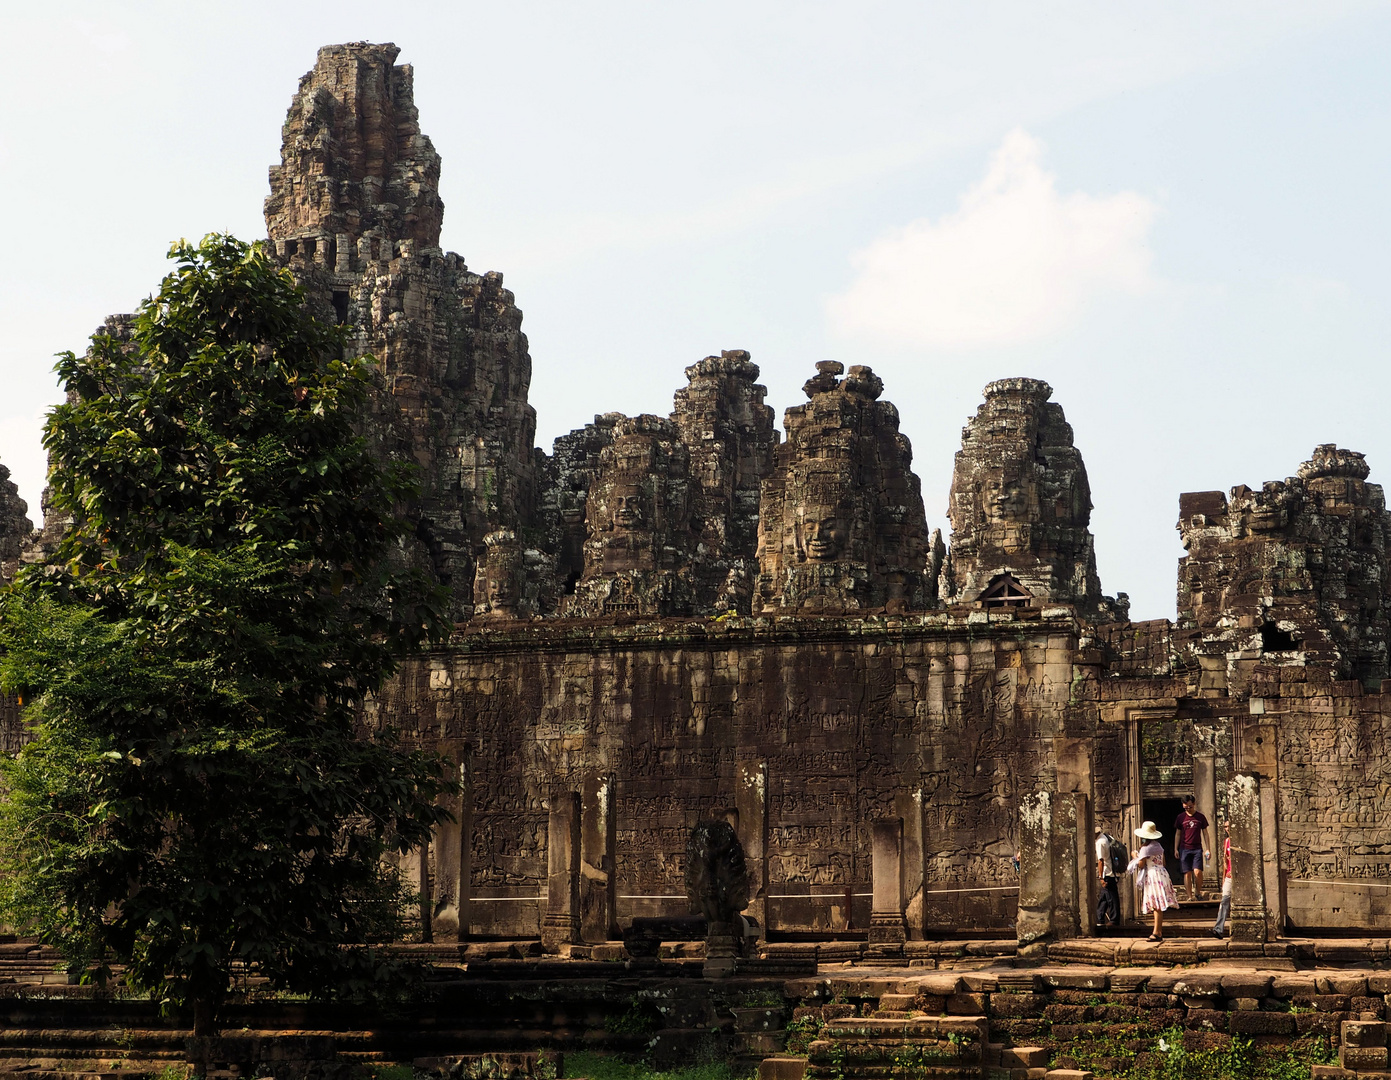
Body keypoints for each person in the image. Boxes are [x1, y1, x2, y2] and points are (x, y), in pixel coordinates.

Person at [1128, 820, 1176, 941]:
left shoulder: (1145, 849)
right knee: (1157, 904)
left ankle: (1157, 932)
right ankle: (1158, 931)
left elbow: (1140, 864)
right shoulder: (1159, 846)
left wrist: (1135, 856)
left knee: (1156, 904)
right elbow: (1163, 862)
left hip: (1153, 875)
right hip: (1162, 873)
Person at [1173, 795, 1211, 901]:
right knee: (1187, 873)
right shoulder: (1180, 817)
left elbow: (1205, 834)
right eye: (1185, 807)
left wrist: (1208, 848)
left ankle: (1198, 892)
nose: (1188, 809)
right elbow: (1178, 834)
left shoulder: (1200, 817)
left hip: (1197, 848)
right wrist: (1175, 848)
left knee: (1197, 871)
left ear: (1194, 804)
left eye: (1190, 807)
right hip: (1184, 848)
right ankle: (1190, 896)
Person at [1095, 826, 1120, 928]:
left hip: (1107, 873)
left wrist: (1100, 877)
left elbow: (1100, 861)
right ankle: (1100, 919)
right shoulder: (1107, 837)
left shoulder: (1100, 842)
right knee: (1104, 897)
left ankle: (1114, 920)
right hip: (1113, 872)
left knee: (1111, 898)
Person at [1212, 819, 1233, 938]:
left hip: (1239, 876)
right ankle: (1219, 929)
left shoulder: (1240, 841)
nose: (1227, 829)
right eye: (1225, 827)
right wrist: (1224, 876)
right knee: (1224, 900)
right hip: (1229, 876)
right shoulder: (1227, 841)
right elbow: (1225, 861)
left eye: (1229, 826)